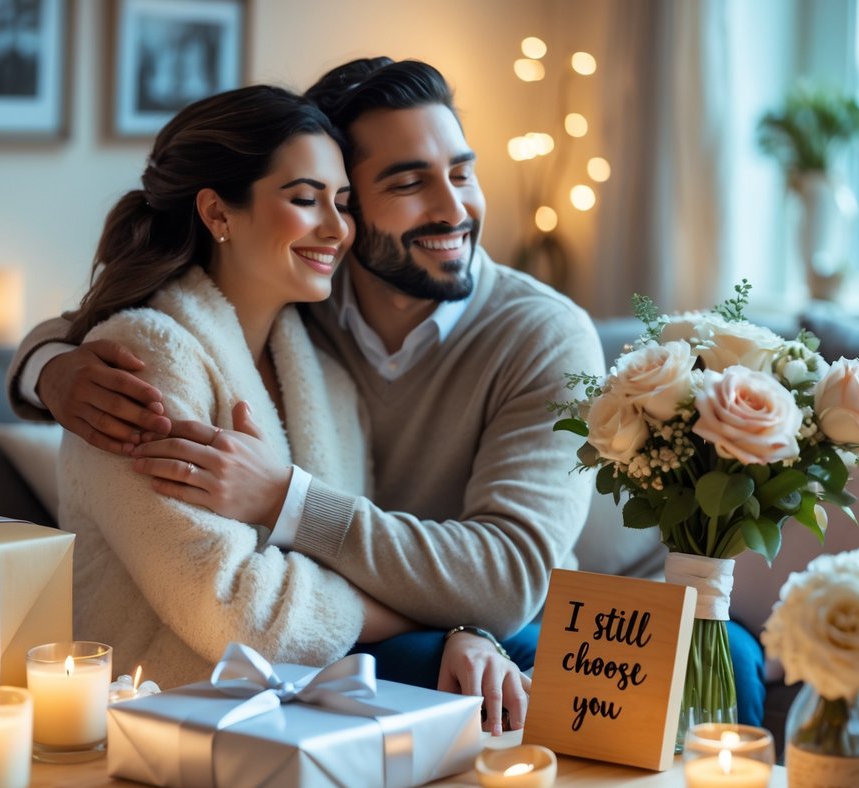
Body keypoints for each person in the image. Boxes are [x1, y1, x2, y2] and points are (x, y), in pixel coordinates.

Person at [10, 59, 764, 726]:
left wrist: (286, 499)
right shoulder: (309, 309)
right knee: (424, 668)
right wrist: (49, 364)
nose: (452, 209)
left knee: (719, 653)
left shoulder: (540, 334)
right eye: (406, 183)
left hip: (515, 610)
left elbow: (507, 580)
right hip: (387, 632)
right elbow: (148, 321)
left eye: (461, 173)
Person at [38, 83, 528, 730]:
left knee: (530, 657)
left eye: (344, 203)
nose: (336, 228)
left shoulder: (326, 374)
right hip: (160, 723)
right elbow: (247, 618)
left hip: (300, 714)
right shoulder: (147, 360)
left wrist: (465, 626)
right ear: (217, 213)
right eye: (304, 200)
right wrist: (437, 614)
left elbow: (344, 560)